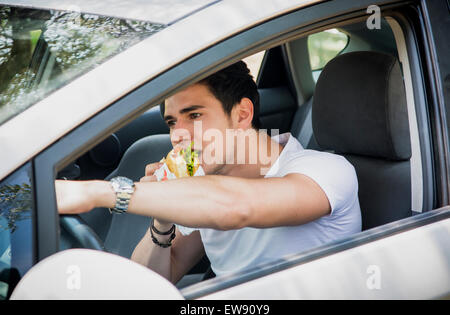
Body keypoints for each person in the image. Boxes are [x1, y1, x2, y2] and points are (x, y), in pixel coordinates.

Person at [55, 61, 361, 284]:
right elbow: (151, 282)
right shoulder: (203, 186)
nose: (177, 136)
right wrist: (164, 218)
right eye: (173, 122)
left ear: (242, 114)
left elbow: (236, 207)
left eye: (195, 115)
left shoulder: (324, 170)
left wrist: (95, 192)